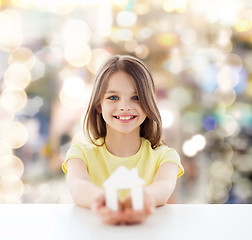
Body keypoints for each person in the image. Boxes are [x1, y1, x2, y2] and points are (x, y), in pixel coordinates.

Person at [62, 55, 184, 225]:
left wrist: (143, 199)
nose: (124, 107)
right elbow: (77, 185)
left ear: (148, 103)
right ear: (99, 105)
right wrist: (103, 201)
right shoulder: (79, 154)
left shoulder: (165, 157)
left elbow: (163, 186)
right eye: (113, 97)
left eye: (136, 97)